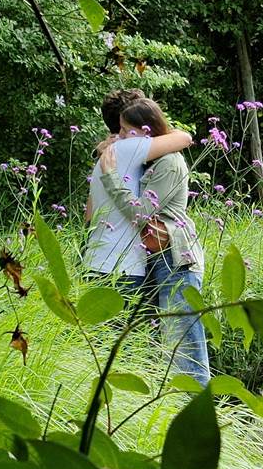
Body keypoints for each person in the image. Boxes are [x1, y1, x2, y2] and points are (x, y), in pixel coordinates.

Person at [98, 96, 210, 389]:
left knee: (185, 346)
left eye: (125, 131)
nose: (119, 137)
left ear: (146, 131)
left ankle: (199, 411)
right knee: (161, 342)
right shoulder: (149, 162)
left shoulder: (169, 162)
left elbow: (141, 213)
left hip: (177, 262)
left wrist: (111, 179)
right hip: (158, 261)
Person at [82, 89, 192, 291]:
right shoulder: (129, 148)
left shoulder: (106, 155)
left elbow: (88, 215)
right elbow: (184, 138)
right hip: (122, 267)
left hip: (95, 259)